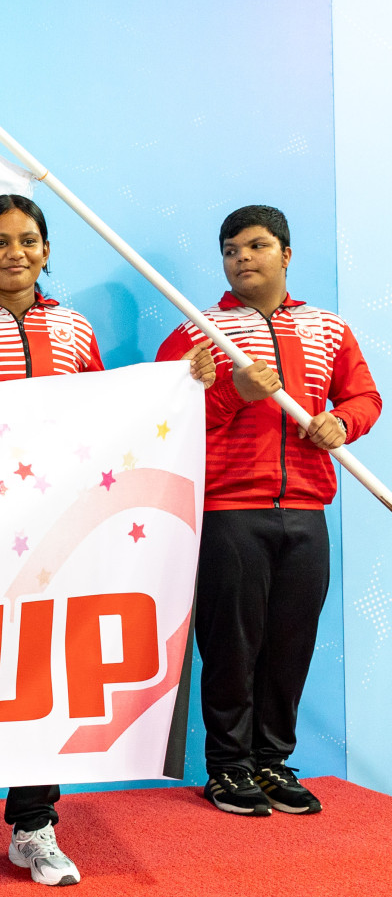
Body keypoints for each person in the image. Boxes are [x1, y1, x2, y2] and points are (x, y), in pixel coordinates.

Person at [0, 194, 215, 894]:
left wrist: (179, 386)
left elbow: (109, 416)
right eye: (1, 242)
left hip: (56, 541)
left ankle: (33, 828)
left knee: (45, 683)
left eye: (29, 241)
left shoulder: (74, 331)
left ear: (46, 252)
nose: (16, 253)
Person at [156, 205, 380, 818]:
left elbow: (364, 395)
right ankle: (228, 768)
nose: (242, 258)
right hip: (230, 510)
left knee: (290, 644)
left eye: (255, 246)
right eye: (230, 250)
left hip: (306, 509)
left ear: (286, 254)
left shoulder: (327, 329)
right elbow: (163, 424)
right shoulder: (199, 331)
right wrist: (233, 392)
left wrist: (342, 421)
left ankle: (273, 761)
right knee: (231, 644)